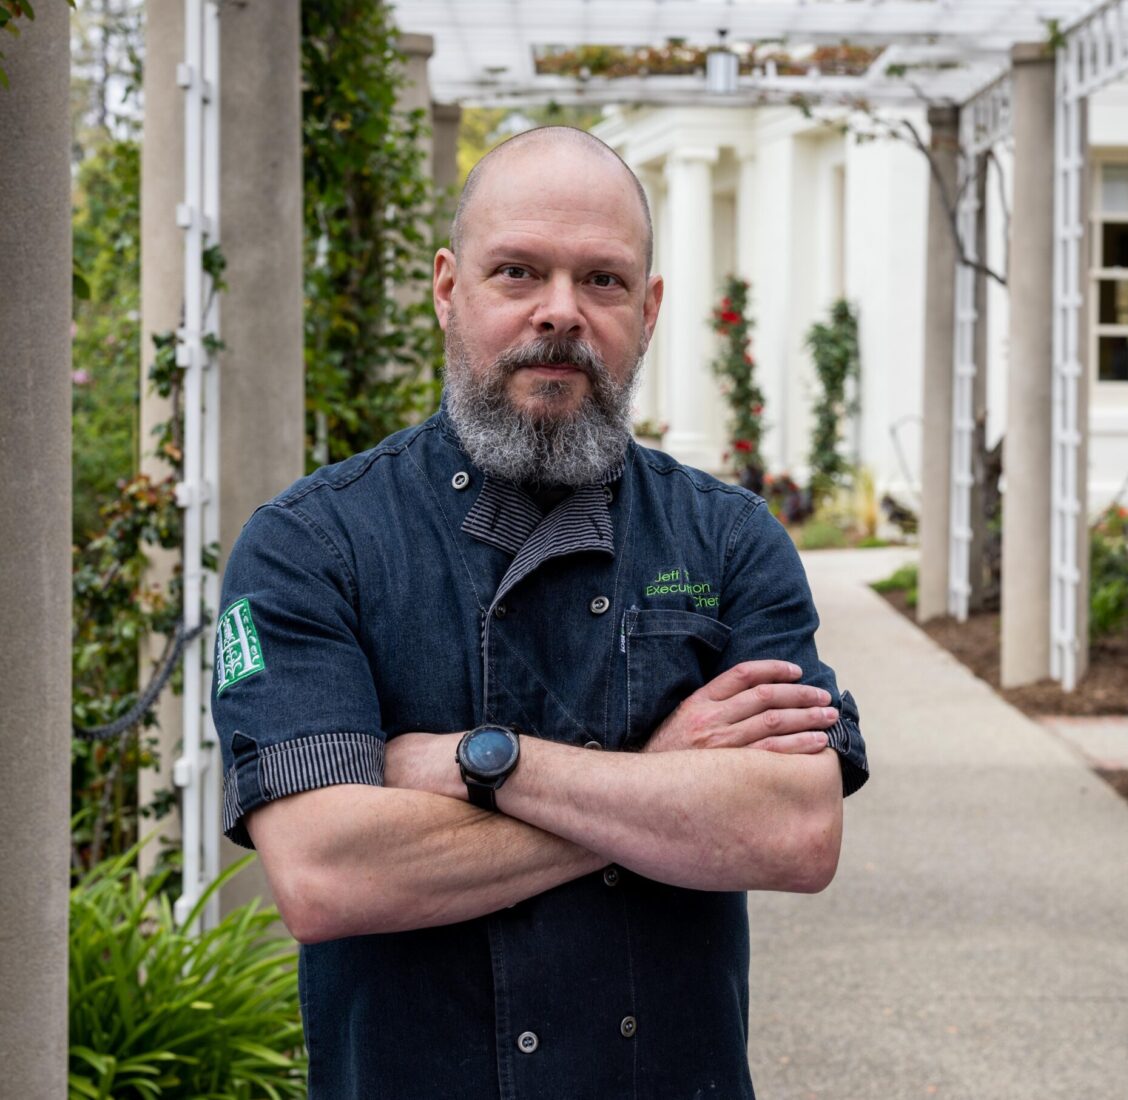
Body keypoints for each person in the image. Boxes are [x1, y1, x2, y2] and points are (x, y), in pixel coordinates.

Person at [213, 126, 868, 1100]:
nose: (560, 312)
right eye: (518, 271)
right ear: (448, 289)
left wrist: (477, 761)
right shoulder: (312, 546)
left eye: (601, 281)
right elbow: (323, 874)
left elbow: (796, 832)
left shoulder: (730, 541)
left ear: (647, 311)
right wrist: (662, 785)